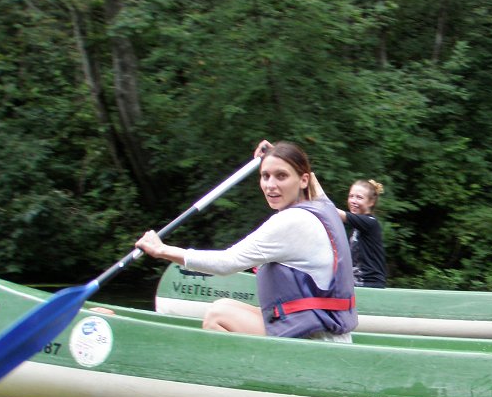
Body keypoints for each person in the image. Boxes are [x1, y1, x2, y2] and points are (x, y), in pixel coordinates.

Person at [135, 141, 358, 342]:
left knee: (217, 316)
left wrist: (162, 250)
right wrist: (274, 153)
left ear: (303, 180)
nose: (270, 185)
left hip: (316, 340)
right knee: (223, 305)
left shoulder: (292, 221)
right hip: (322, 330)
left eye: (281, 176)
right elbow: (309, 179)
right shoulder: (325, 206)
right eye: (265, 176)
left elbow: (226, 262)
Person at [337, 179, 388, 288]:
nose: (353, 201)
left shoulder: (370, 223)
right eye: (351, 196)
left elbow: (335, 213)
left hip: (371, 285)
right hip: (357, 285)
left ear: (371, 202)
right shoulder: (356, 228)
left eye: (359, 197)